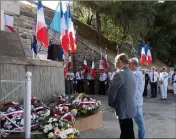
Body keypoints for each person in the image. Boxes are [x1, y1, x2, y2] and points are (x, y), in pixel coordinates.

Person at [108, 53, 136, 139]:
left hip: (123, 109)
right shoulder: (131, 73)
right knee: (129, 133)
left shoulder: (120, 74)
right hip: (130, 108)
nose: (115, 64)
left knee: (126, 134)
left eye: (116, 61)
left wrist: (111, 104)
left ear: (120, 61)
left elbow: (112, 92)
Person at [129, 58, 145, 139]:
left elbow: (134, 90)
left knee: (141, 125)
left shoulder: (135, 74)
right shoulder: (139, 73)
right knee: (140, 124)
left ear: (134, 64)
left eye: (130, 63)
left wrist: (131, 102)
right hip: (138, 101)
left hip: (135, 102)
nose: (128, 65)